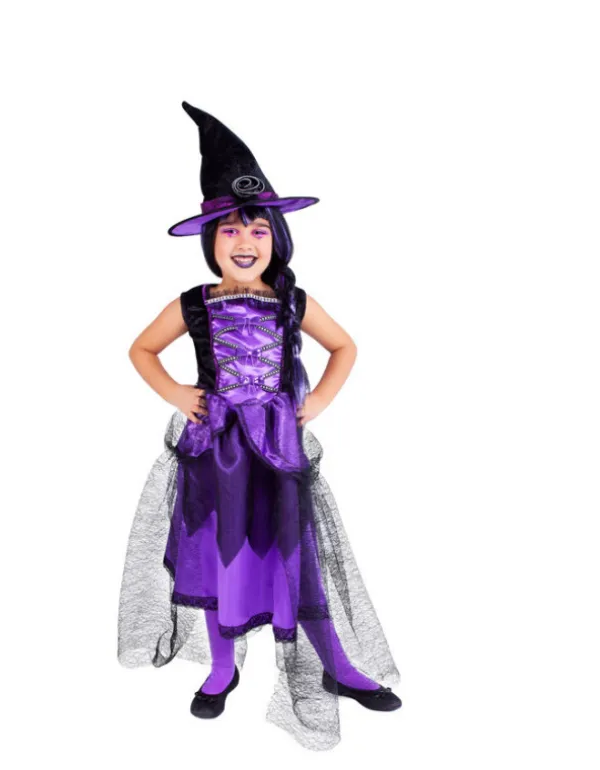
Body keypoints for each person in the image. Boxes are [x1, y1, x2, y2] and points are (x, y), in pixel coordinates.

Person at [117, 101, 401, 751]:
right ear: (209, 241)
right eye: (229, 231)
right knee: (221, 559)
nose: (244, 242)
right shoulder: (193, 304)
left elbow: (345, 346)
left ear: (276, 238)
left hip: (277, 452)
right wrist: (177, 392)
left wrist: (318, 399)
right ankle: (222, 668)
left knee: (297, 558)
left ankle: (337, 664)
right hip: (215, 454)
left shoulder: (293, 302)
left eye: (257, 230)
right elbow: (141, 349)